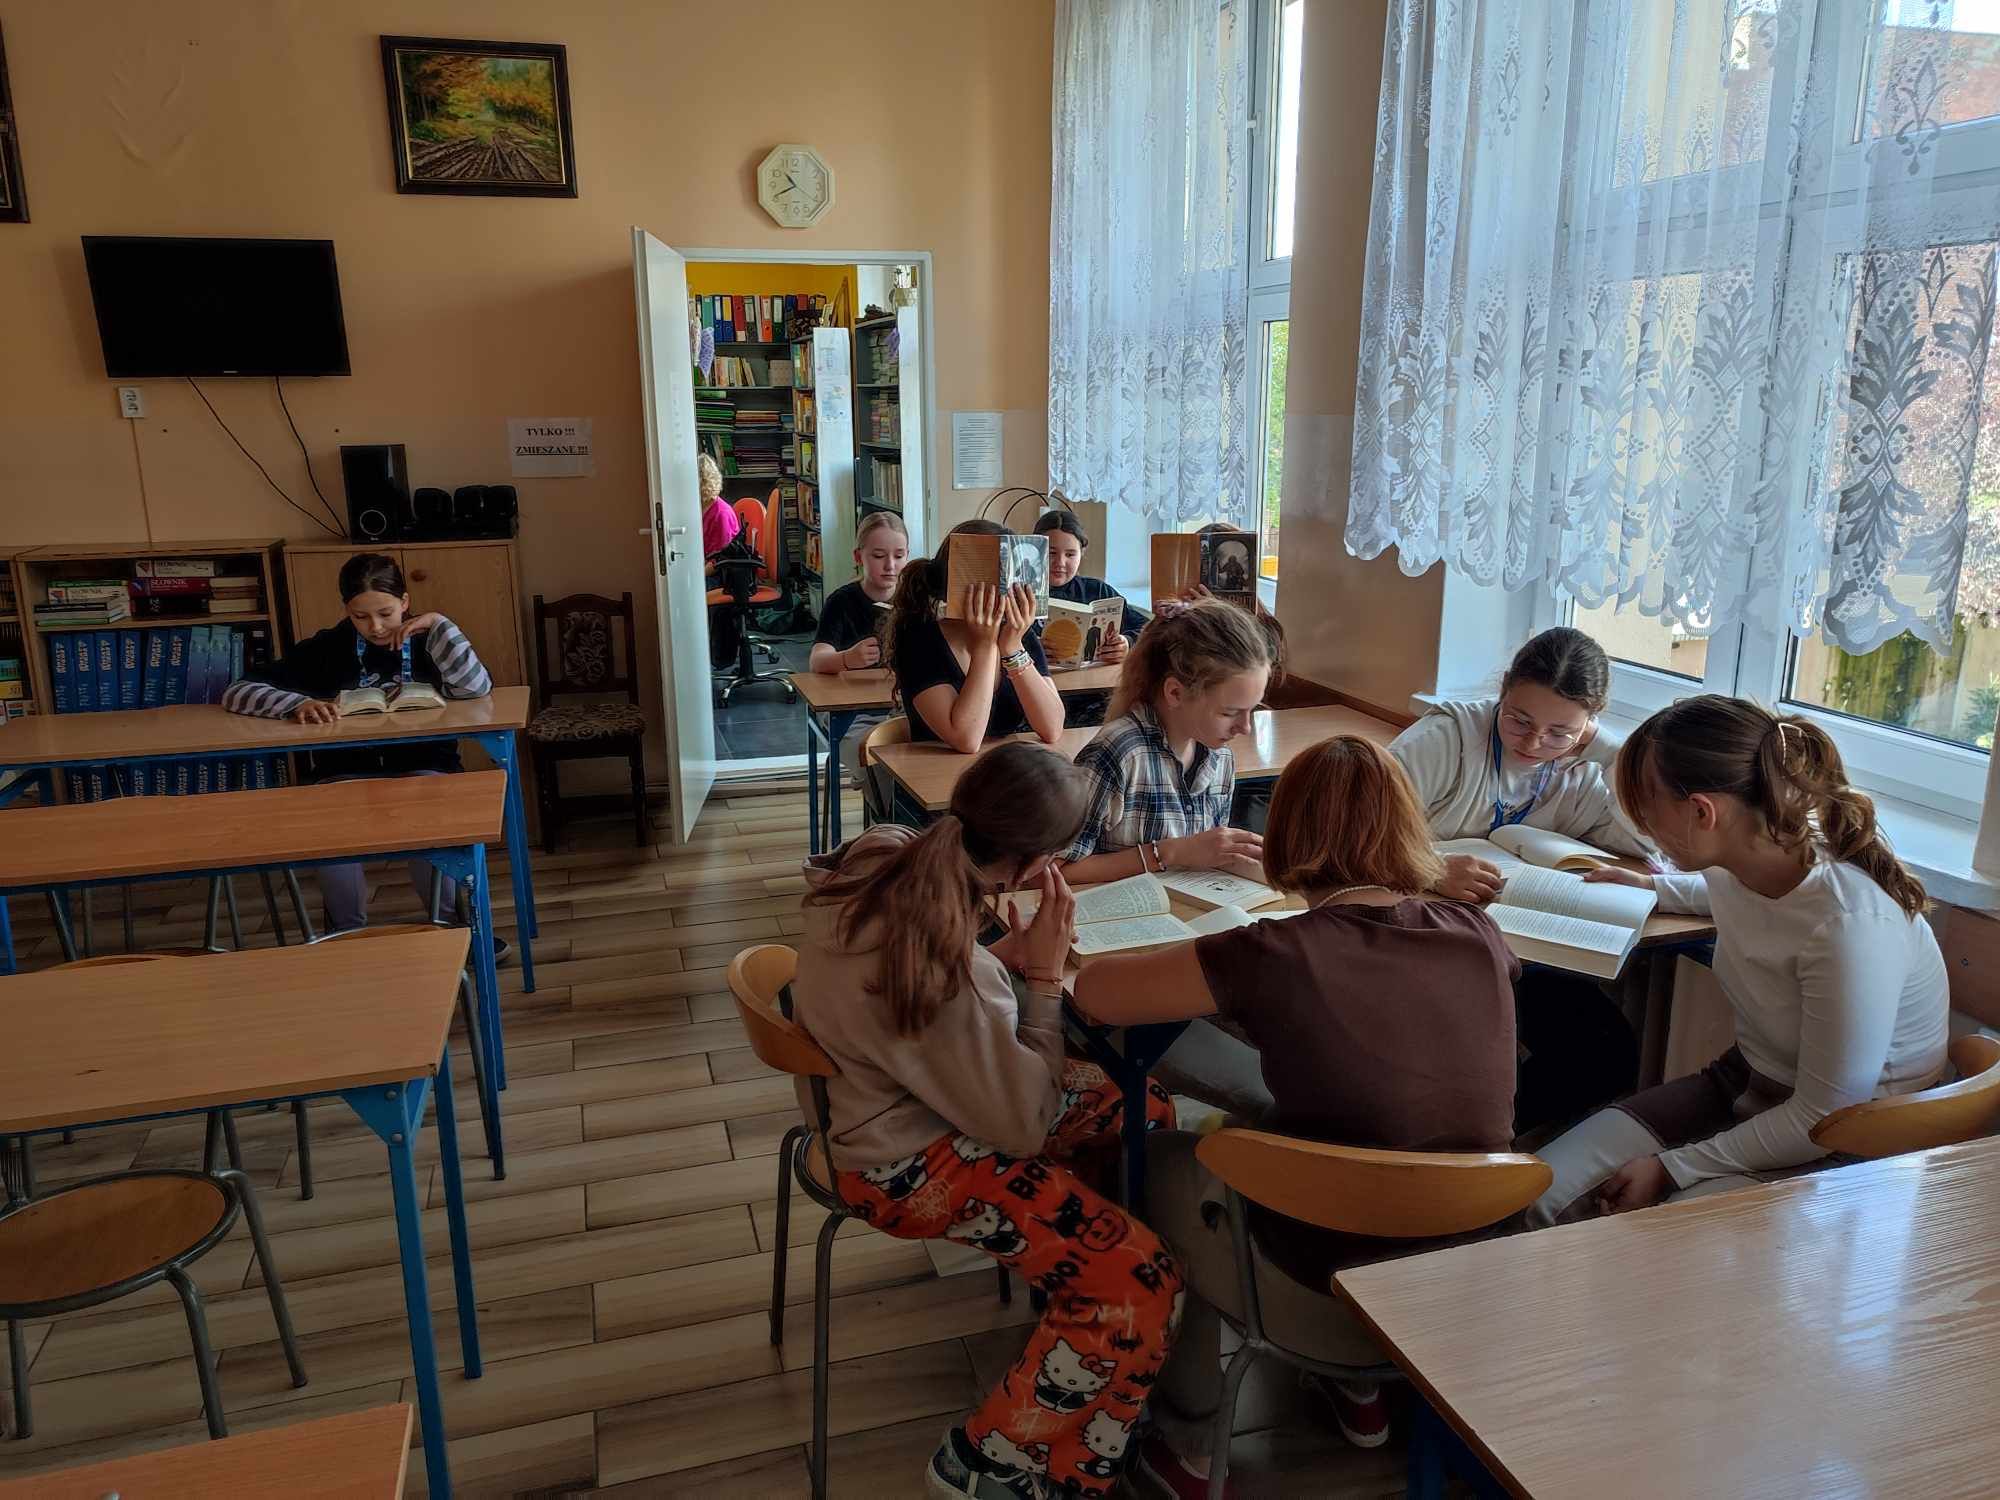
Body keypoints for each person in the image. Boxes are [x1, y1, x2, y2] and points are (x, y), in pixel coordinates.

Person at [1070, 737, 1519, 1493]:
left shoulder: (1272, 951)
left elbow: (1096, 995)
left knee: (1160, 1159)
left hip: (1323, 1273)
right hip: (1466, 1256)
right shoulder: (1480, 933)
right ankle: (1359, 1390)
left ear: (1283, 834)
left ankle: (1189, 1441)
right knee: (1327, 1126)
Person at [794, 742, 1183, 1500]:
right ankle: (983, 1461)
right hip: (905, 1165)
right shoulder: (953, 968)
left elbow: (949, 1028)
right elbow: (1025, 1124)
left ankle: (1083, 1318)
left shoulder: (885, 853)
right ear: (1033, 866)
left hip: (879, 1105)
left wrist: (1004, 950)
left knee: (1143, 1104)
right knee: (1145, 1284)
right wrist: (1042, 978)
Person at [1527, 696, 1949, 1226]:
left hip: (1849, 1142)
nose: (1642, 826)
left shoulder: (1849, 926)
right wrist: (1650, 886)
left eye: (1646, 808)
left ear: (1703, 812)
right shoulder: (1753, 854)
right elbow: (1723, 892)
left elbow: (1825, 1118)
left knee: (1660, 1236)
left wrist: (1674, 1168)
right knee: (1537, 1195)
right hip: (1744, 1083)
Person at [1389, 626, 1643, 1132]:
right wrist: (1430, 869)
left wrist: (1613, 755)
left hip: (1520, 947)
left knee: (1606, 1051)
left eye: (1560, 732)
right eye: (1519, 720)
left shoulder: (1586, 766)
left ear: (1589, 723)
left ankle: (1486, 1144)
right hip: (1419, 939)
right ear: (1503, 689)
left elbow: (1648, 843)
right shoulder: (1445, 738)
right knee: (1463, 1048)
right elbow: (1350, 832)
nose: (1534, 742)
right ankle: (1449, 1143)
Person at [1059, 601, 1272, 1118]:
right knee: (1268, 1091)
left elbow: (1207, 857)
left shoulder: (1217, 755)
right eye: (1231, 712)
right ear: (1174, 693)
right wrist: (1168, 854)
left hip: (1188, 945)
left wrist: (1255, 866)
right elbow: (1056, 871)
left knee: (1296, 1045)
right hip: (1117, 965)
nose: (1245, 727)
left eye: (1253, 710)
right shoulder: (1117, 753)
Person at [221, 552, 497, 942]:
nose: (376, 627)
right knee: (331, 824)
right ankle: (344, 933)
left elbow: (476, 690)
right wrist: (297, 704)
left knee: (426, 812)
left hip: (425, 767)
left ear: (404, 601)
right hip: (344, 772)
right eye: (360, 616)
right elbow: (237, 691)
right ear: (346, 611)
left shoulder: (430, 639)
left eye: (386, 613)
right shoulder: (328, 647)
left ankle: (454, 929)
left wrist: (440, 624)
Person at [889, 519, 1065, 752]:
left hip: (1006, 766)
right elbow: (966, 739)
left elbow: (1052, 728)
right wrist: (985, 645)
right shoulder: (918, 638)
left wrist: (1012, 648)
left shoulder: (1017, 634)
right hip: (938, 771)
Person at [809, 510, 910, 818]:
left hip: (901, 708)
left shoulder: (913, 601)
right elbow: (817, 660)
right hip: (850, 715)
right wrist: (847, 659)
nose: (890, 565)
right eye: (879, 556)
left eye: (899, 556)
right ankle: (892, 825)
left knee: (922, 760)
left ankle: (905, 826)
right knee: (877, 762)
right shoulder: (842, 602)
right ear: (859, 556)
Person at [1033, 511, 1149, 727]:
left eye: (1070, 554)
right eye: (1051, 553)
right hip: (1038, 696)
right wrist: (1030, 648)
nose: (1060, 562)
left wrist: (1127, 643)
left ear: (1081, 553)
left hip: (1094, 696)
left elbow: (1148, 627)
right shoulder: (1020, 593)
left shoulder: (1098, 591)